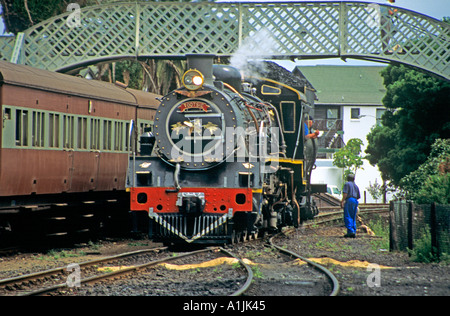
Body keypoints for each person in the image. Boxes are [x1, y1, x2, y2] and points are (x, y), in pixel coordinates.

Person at [341, 173, 361, 238]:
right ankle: (353, 231)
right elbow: (358, 196)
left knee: (348, 215)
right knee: (353, 216)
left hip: (349, 200)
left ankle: (350, 231)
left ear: (347, 178)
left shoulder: (347, 184)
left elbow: (345, 193)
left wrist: (342, 201)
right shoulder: (356, 186)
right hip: (355, 200)